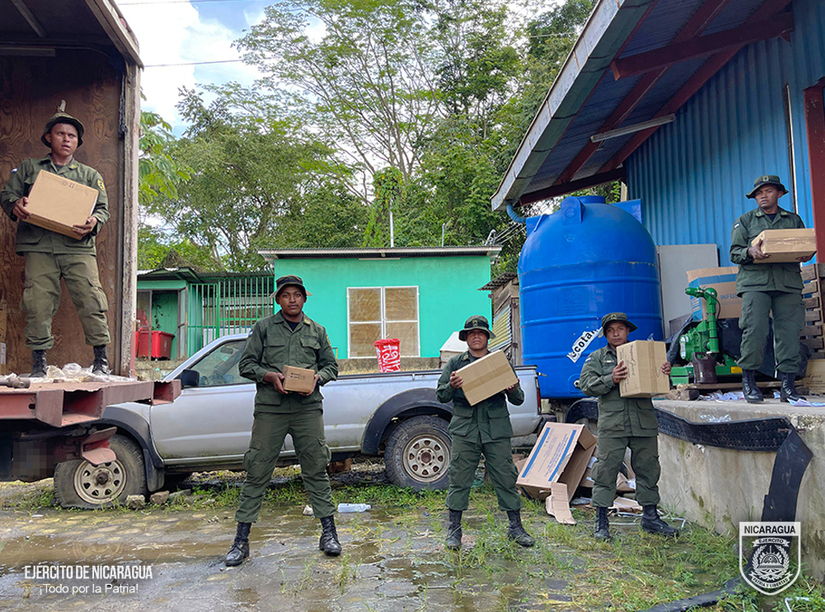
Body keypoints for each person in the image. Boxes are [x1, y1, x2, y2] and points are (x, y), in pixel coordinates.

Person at [226, 275, 340, 566]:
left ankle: (329, 535)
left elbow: (331, 366)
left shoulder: (317, 330)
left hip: (307, 410)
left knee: (316, 467)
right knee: (257, 469)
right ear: (278, 299)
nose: (292, 299)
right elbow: (246, 364)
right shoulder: (263, 328)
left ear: (304, 298)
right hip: (271, 409)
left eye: (297, 295)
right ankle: (240, 542)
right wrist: (269, 376)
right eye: (286, 295)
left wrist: (317, 378)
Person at [0, 112, 111, 377]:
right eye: (61, 133)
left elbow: (103, 209)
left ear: (77, 142)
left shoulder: (89, 175)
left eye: (72, 136)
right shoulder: (29, 168)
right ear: (49, 137)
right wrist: (16, 204)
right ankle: (38, 363)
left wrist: (94, 220)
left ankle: (101, 359)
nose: (66, 139)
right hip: (39, 246)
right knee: (37, 303)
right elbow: (7, 195)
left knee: (91, 299)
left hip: (77, 246)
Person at [436, 315, 534, 550]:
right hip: (466, 430)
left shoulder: (499, 362)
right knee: (459, 477)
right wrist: (452, 386)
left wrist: (512, 389)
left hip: (495, 430)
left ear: (487, 337)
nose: (476, 337)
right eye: (472, 334)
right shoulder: (456, 364)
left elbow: (519, 399)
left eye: (480, 333)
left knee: (506, 477)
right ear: (466, 338)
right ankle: (454, 530)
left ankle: (516, 528)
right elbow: (440, 395)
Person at [579, 313, 678, 541]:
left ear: (628, 331)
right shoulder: (597, 358)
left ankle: (650, 517)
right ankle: (601, 521)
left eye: (620, 329)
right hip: (613, 424)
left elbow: (660, 386)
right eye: (610, 330)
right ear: (605, 334)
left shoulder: (643, 354)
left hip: (643, 421)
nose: (616, 334)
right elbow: (586, 385)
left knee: (649, 469)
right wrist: (610, 378)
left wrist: (664, 373)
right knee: (605, 470)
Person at [730, 175, 811, 404]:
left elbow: (804, 244)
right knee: (755, 330)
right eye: (758, 193)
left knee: (789, 333)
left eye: (768, 191)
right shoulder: (745, 221)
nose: (763, 196)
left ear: (780, 193)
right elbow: (734, 252)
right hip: (755, 283)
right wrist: (750, 252)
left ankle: (788, 385)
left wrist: (806, 254)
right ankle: (749, 381)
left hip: (788, 283)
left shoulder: (793, 220)